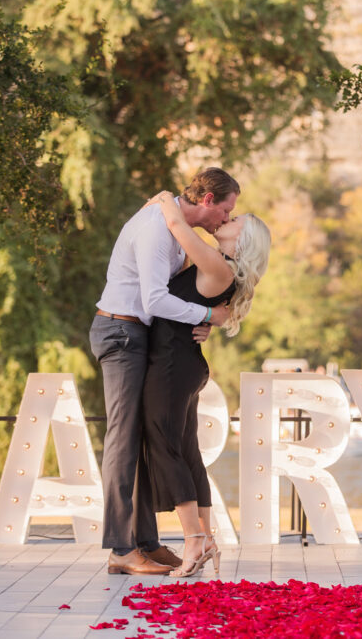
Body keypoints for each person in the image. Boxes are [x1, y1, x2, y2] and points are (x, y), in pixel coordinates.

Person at [89, 167, 239, 575]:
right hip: (121, 331)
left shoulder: (174, 228)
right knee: (123, 439)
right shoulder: (159, 227)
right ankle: (122, 549)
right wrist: (208, 314)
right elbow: (155, 300)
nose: (225, 220)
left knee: (141, 439)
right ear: (207, 200)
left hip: (138, 335)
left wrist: (201, 321)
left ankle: (146, 544)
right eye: (226, 211)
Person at [142, 189, 271, 577]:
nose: (226, 220)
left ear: (242, 241)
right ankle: (207, 538)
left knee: (165, 446)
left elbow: (178, 225)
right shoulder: (222, 269)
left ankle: (194, 542)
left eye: (234, 221)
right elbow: (206, 307)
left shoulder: (219, 264)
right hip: (183, 363)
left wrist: (165, 198)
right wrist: (207, 320)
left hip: (171, 365)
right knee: (185, 450)